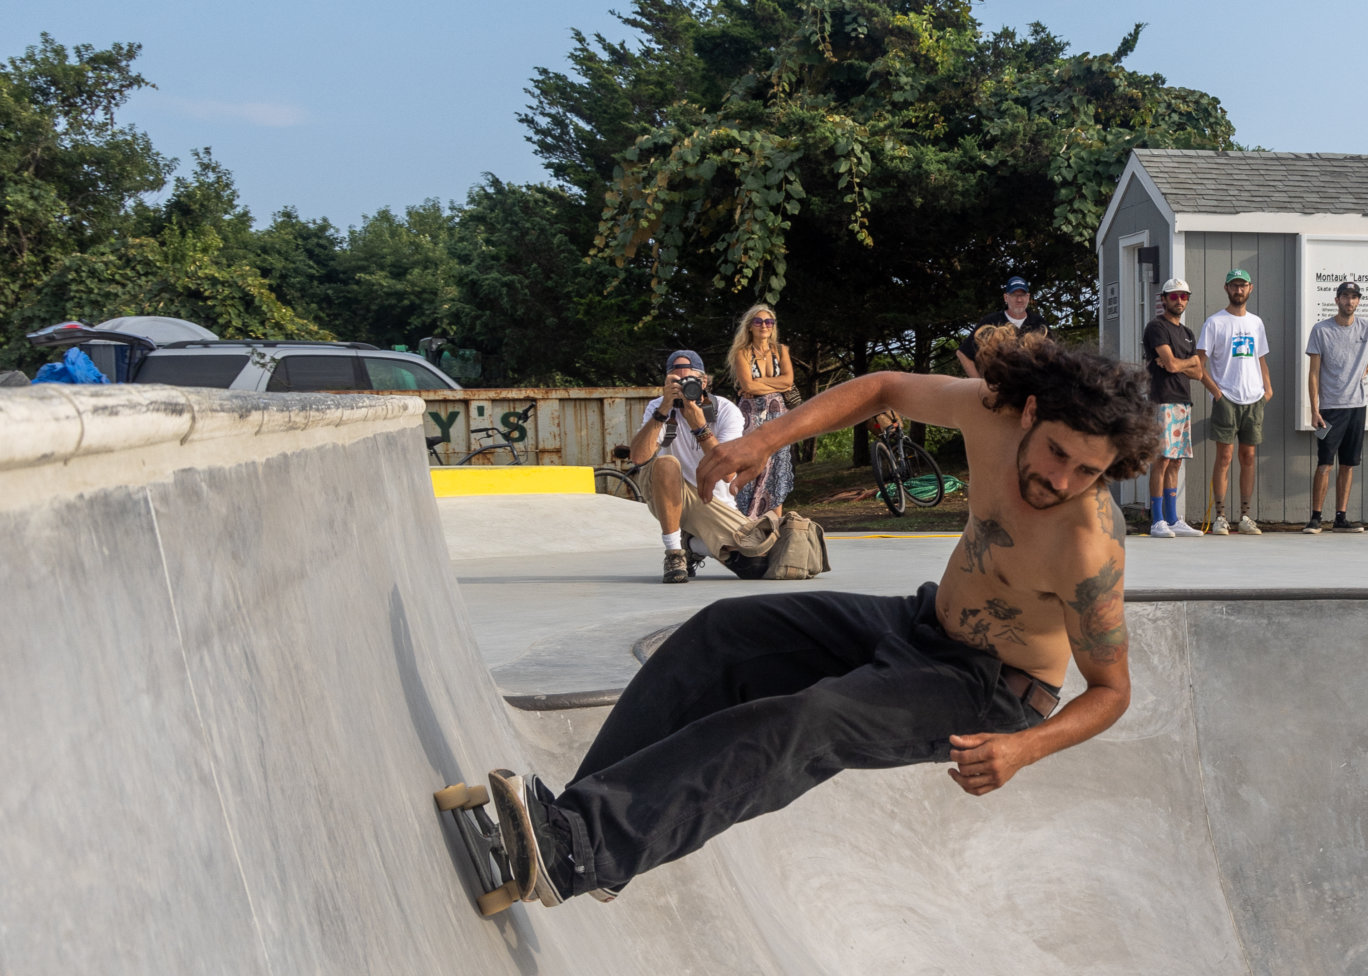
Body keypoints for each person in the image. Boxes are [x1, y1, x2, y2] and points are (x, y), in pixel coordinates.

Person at [475, 336, 1152, 909]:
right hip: (920, 623)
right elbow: (883, 387)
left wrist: (1024, 748)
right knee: (722, 635)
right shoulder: (989, 414)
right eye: (1056, 453)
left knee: (807, 721)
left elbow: (1110, 690)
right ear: (1030, 412)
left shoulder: (1087, 542)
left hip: (992, 690)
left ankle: (581, 852)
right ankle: (574, 825)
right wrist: (764, 438)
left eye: (1087, 471)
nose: (1059, 481)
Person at [627, 349, 797, 586]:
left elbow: (728, 473)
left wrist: (699, 426)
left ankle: (691, 544)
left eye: (689, 380)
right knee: (665, 463)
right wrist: (663, 410)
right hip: (670, 495)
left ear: (704, 381)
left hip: (711, 500)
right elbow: (638, 457)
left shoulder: (726, 411)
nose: (683, 387)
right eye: (675, 381)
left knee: (755, 563)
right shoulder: (658, 407)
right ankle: (674, 553)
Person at [1304, 279, 1368, 532]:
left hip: (1357, 407)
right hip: (1330, 409)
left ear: (1358, 301)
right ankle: (1315, 518)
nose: (1350, 301)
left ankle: (1340, 518)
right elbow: (1313, 373)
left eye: (1354, 297)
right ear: (1337, 300)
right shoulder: (1321, 330)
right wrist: (1314, 409)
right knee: (1325, 463)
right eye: (1345, 296)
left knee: (1348, 463)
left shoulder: (1367, 328)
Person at [1198, 269, 1273, 534]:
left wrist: (1268, 389)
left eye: (1242, 286)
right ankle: (1221, 516)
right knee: (1225, 456)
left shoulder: (1256, 322)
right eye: (1234, 286)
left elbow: (1260, 357)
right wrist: (1216, 392)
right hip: (1226, 397)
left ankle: (1245, 516)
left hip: (1254, 398)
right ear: (1226, 288)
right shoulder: (1215, 322)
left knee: (1249, 456)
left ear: (1250, 288)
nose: (1238, 290)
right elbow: (1199, 363)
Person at [1142, 277, 1207, 537]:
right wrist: (1186, 363)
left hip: (1182, 400)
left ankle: (1172, 519)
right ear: (1163, 299)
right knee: (1162, 458)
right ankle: (1157, 520)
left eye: (1184, 296)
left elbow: (1198, 372)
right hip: (1162, 400)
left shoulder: (1187, 333)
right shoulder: (1156, 327)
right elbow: (1170, 365)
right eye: (1174, 296)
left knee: (1177, 461)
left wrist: (1185, 363)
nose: (1179, 300)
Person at [725, 302, 797, 517]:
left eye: (768, 321)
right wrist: (776, 383)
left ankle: (774, 522)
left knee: (777, 466)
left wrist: (760, 383)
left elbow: (789, 381)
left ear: (773, 326)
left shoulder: (781, 350)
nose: (764, 325)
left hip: (778, 414)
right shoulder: (742, 353)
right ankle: (745, 519)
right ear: (750, 326)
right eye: (758, 321)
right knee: (750, 461)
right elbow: (747, 386)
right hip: (751, 414)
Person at [954, 277, 1045, 378]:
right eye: (1014, 295)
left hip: (1032, 388)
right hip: (998, 389)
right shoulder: (990, 322)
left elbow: (1053, 359)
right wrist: (978, 384)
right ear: (1006, 297)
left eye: (1022, 295)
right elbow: (962, 353)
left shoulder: (1039, 323)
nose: (1019, 299)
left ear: (1028, 297)